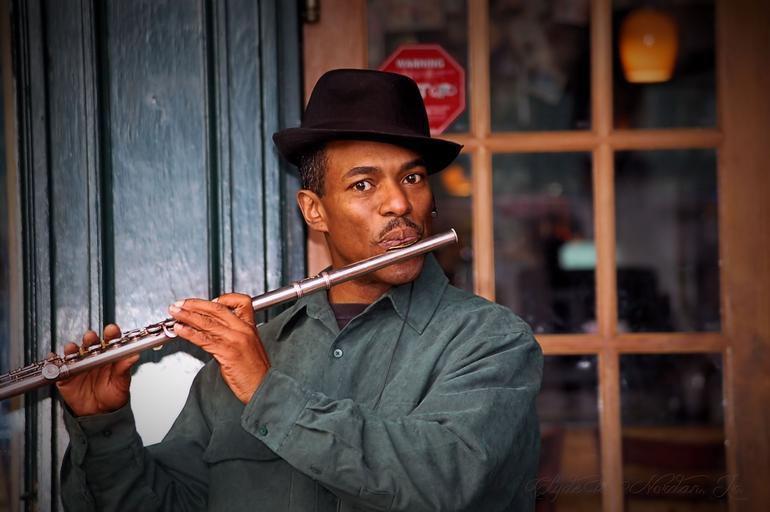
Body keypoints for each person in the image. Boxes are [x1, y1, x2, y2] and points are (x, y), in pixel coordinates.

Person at [58, 69, 543, 511]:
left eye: (412, 178)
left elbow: (444, 482)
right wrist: (103, 427)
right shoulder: (247, 355)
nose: (399, 203)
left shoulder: (491, 341)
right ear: (314, 210)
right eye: (363, 185)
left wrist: (266, 391)